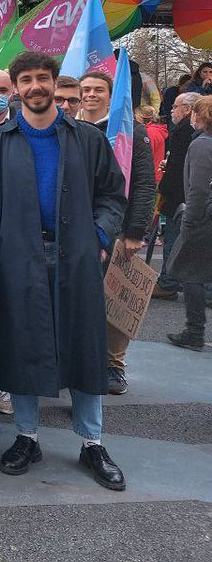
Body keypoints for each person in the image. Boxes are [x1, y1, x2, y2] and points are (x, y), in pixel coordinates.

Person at [0, 51, 127, 491]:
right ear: (16, 88)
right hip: (19, 256)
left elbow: (113, 194)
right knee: (22, 343)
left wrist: (97, 235)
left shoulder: (87, 139)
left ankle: (92, 441)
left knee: (85, 344)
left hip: (75, 255)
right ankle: (26, 436)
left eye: (43, 78)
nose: (35, 86)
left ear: (55, 83)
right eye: (27, 80)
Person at [77, 70, 154, 396]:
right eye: (86, 89)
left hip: (119, 231)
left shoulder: (131, 131)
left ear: (111, 96)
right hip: (78, 229)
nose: (91, 95)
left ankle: (113, 365)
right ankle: (77, 362)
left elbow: (144, 183)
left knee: (115, 303)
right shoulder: (70, 127)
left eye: (98, 90)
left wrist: (135, 231)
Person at [166, 95, 212, 352]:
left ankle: (194, 331)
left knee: (190, 273)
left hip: (202, 219)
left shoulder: (201, 145)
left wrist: (189, 222)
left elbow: (197, 189)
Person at [157, 92, 199, 299]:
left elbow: (178, 166)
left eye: (175, 106)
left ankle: (168, 281)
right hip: (187, 193)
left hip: (180, 195)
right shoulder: (190, 131)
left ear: (188, 109)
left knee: (173, 239)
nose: (171, 111)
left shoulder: (184, 131)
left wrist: (163, 188)